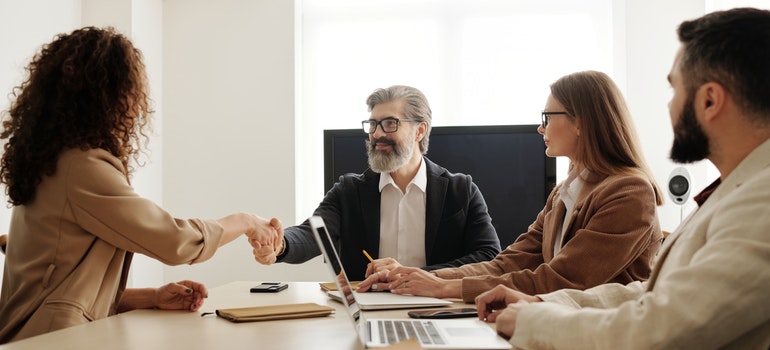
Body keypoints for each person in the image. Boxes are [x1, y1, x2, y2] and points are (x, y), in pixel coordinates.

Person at [475, 7, 770, 349]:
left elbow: (665, 329)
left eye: (675, 91)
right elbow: (651, 293)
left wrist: (534, 320)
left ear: (709, 100)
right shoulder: (738, 190)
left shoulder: (760, 202)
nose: (670, 107)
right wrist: (545, 304)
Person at [0, 26, 283, 343]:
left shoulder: (50, 163)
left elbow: (60, 288)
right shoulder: (80, 168)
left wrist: (151, 297)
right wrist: (245, 221)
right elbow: (174, 240)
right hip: (53, 341)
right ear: (109, 96)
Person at [357, 71, 664, 303]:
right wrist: (423, 277)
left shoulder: (629, 193)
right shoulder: (563, 194)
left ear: (581, 122)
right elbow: (507, 263)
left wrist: (444, 287)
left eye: (547, 116)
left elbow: (564, 279)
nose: (540, 127)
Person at [252, 85, 501, 280]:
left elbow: (489, 256)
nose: (377, 134)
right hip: (369, 306)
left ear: (420, 130)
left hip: (438, 305)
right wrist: (280, 244)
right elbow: (313, 234)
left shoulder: (461, 190)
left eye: (390, 123)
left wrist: (416, 275)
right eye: (372, 124)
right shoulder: (348, 191)